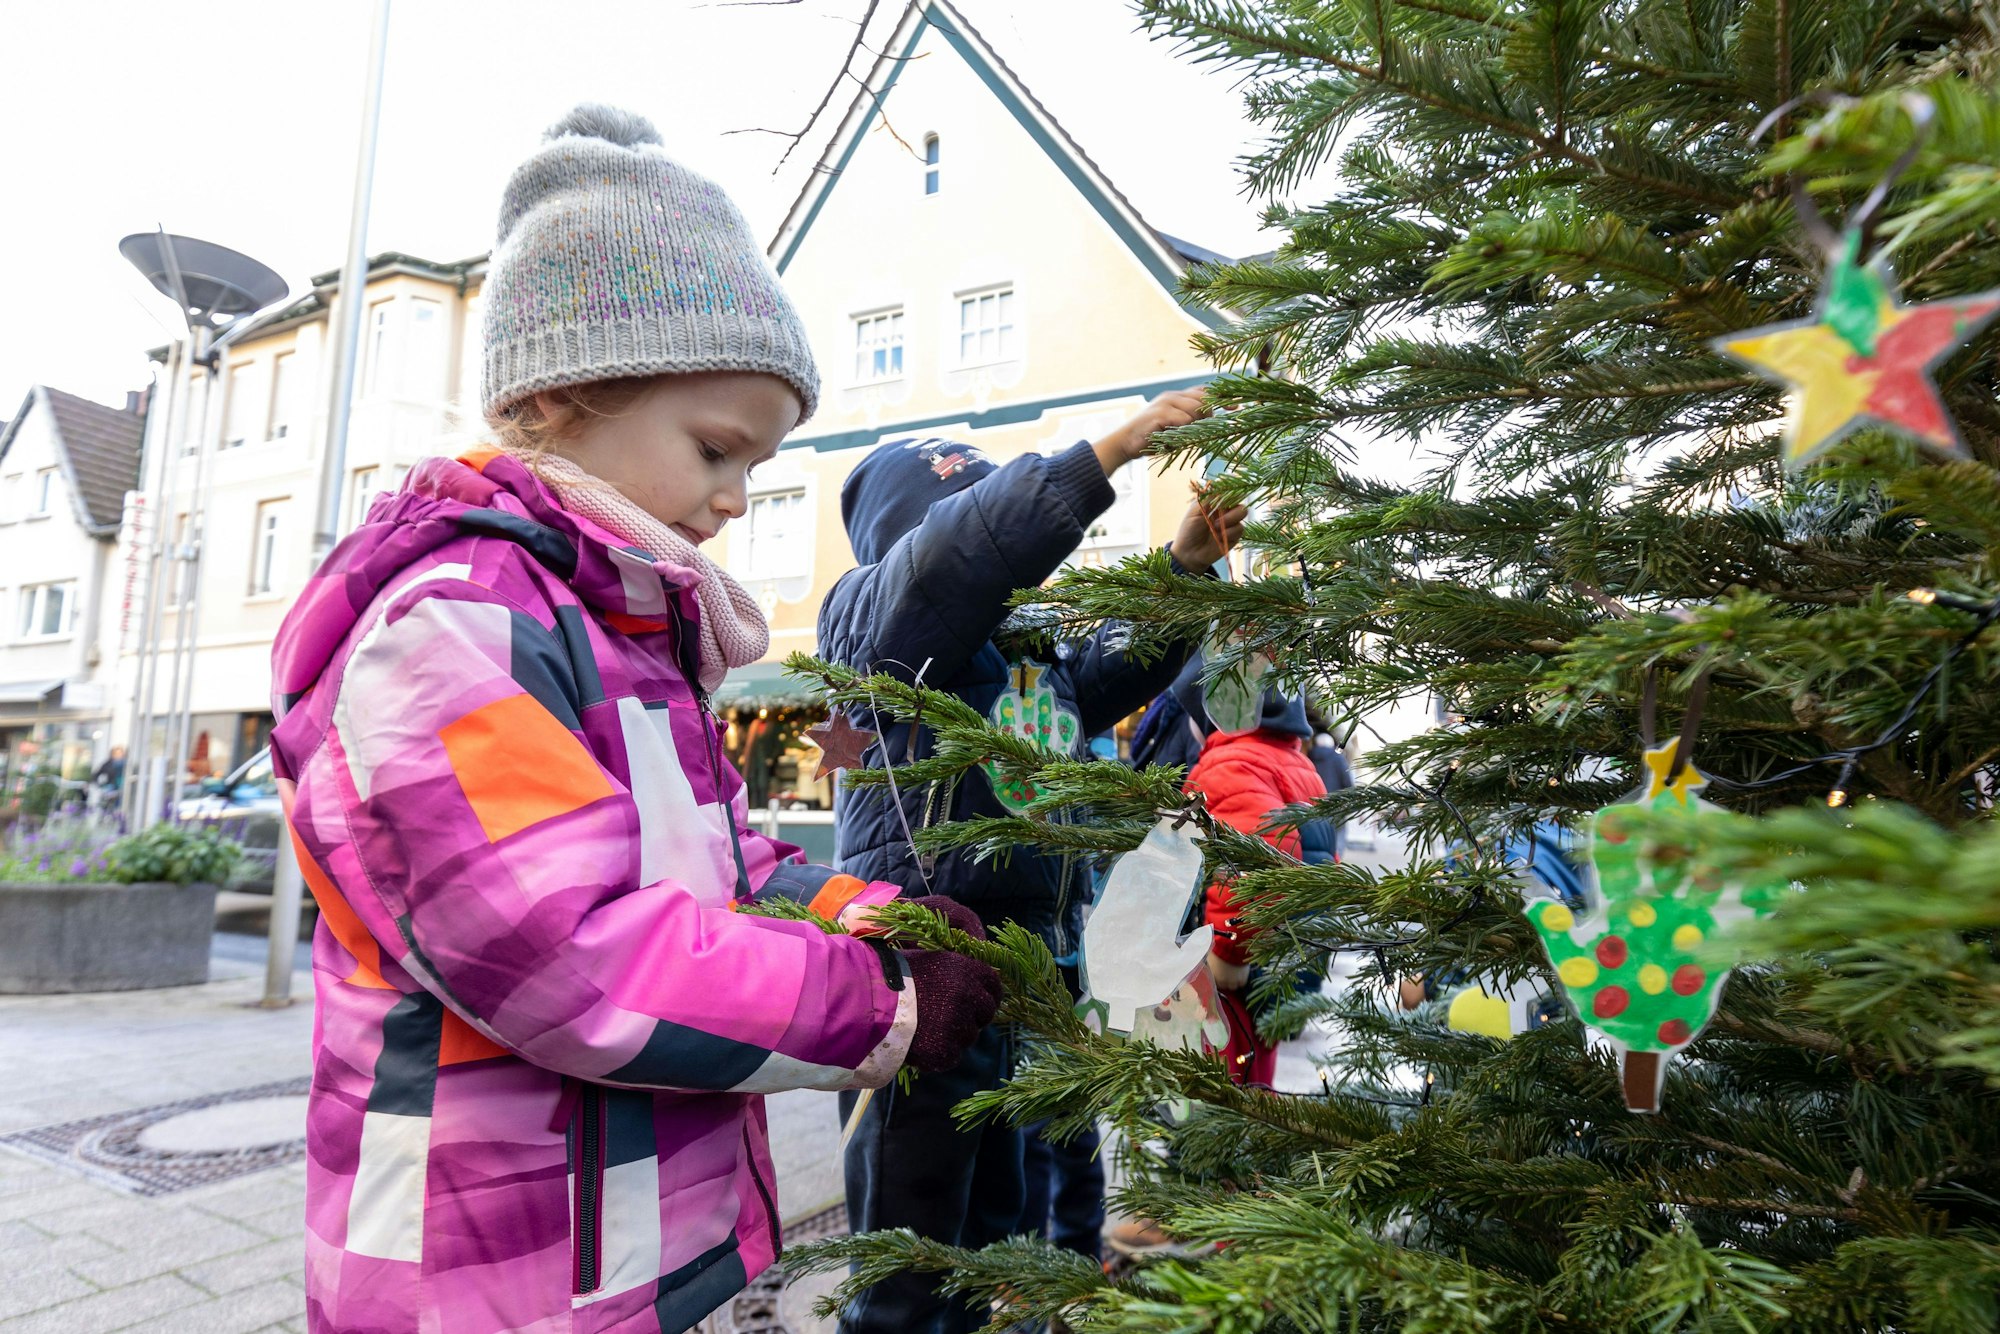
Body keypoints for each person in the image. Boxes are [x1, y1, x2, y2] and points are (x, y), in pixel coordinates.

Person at [266, 105, 1003, 1334]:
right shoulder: (452, 628)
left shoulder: (625, 638)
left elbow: (718, 870)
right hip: (485, 1269)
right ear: (559, 394)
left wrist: (869, 915)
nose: (734, 497)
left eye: (756, 465)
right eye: (716, 447)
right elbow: (567, 953)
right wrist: (880, 1000)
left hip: (621, 1233)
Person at [821, 409, 1245, 1332]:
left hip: (1027, 954)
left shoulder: (1018, 649)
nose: (991, 535)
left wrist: (1184, 570)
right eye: (964, 506)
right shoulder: (872, 611)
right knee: (912, 1221)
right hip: (930, 948)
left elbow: (1105, 676)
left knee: (996, 1210)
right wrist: (1104, 460)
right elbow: (952, 561)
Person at [1172, 657, 1332, 1087]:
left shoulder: (1232, 765)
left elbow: (1249, 866)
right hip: (1279, 968)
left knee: (1219, 1094)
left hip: (1237, 979)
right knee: (1255, 1085)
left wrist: (1228, 954)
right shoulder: (1294, 763)